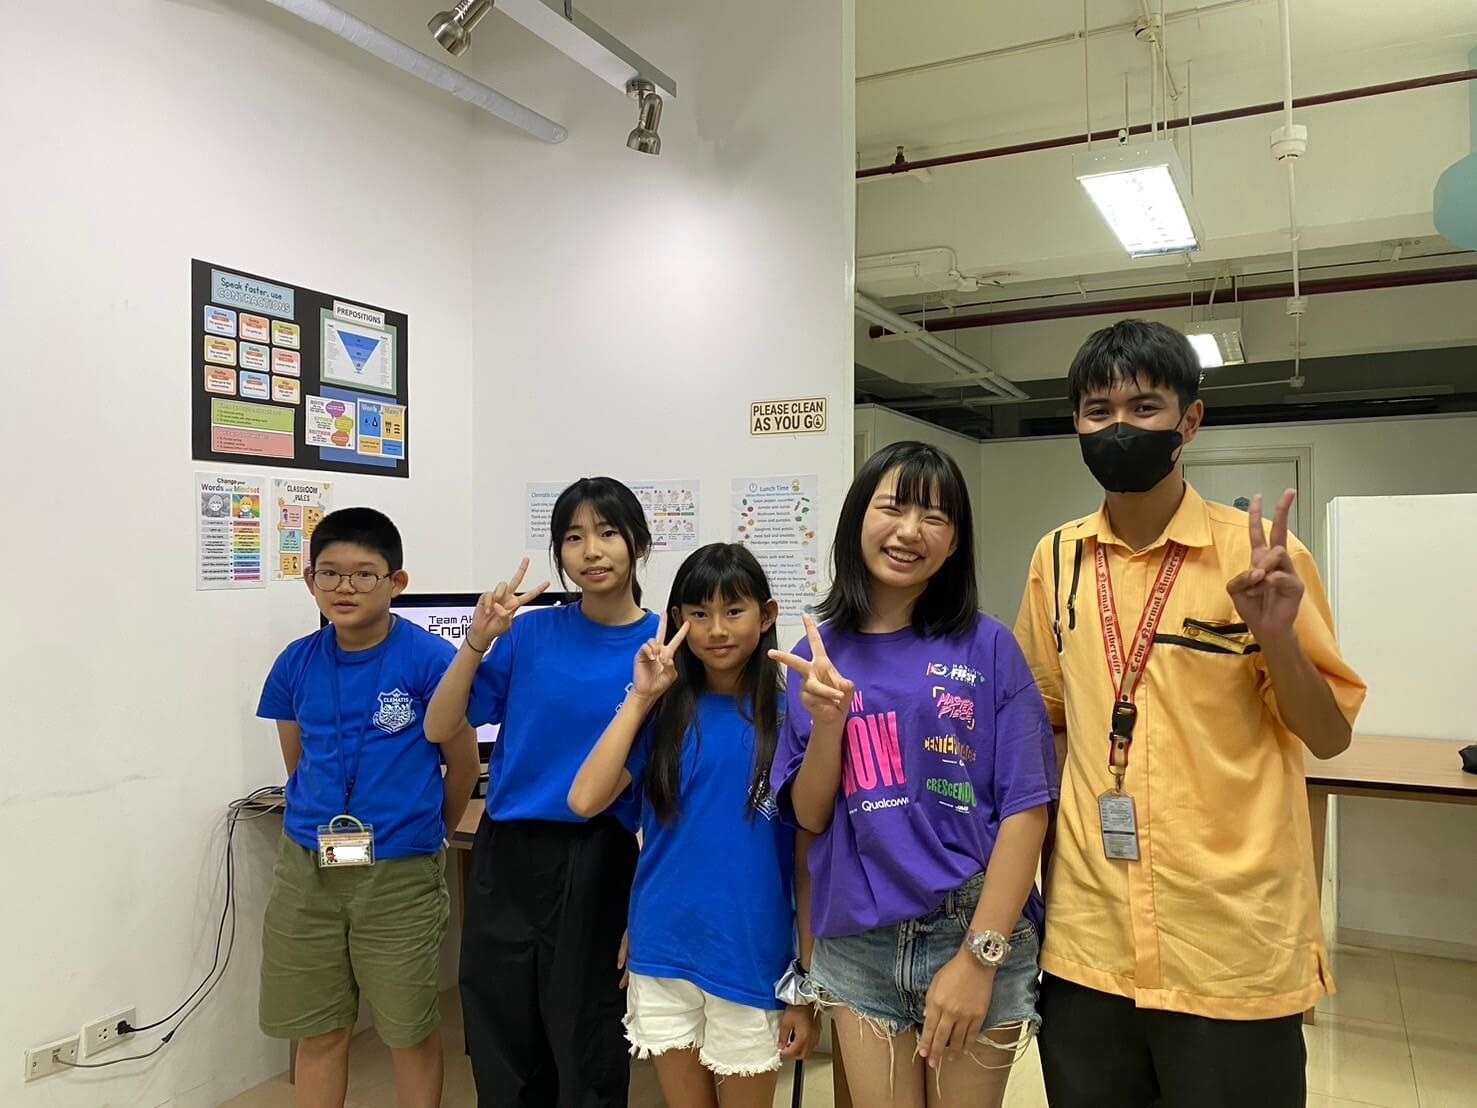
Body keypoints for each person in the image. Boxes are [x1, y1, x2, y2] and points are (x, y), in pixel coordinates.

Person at [1014, 319, 1368, 1108]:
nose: (1118, 427)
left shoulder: (1261, 558)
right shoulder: (1056, 559)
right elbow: (1044, 722)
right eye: (1098, 410)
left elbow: (1327, 735)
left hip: (1228, 942)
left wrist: (1276, 638)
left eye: (1143, 407)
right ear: (1075, 423)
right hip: (1088, 940)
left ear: (1190, 419)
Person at [770, 441, 1056, 1108]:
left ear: (954, 542)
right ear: (856, 520)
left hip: (973, 923)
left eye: (934, 516)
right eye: (892, 507)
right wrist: (829, 724)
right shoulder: (817, 653)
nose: (908, 531)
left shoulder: (989, 646)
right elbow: (810, 816)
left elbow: (1027, 810)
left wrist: (979, 957)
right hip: (859, 935)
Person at [425, 477, 658, 1108]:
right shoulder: (530, 634)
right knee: (500, 1027)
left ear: (639, 543)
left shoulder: (661, 647)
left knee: (584, 1034)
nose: (592, 551)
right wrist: (479, 638)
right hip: (507, 851)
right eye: (574, 538)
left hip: (598, 854)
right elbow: (440, 726)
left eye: (607, 533)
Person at [568, 543, 821, 1107]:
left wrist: (805, 983)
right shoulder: (663, 714)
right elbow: (584, 799)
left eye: (734, 610)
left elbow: (809, 863)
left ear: (767, 615)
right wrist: (640, 698)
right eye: (699, 613)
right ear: (677, 620)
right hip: (663, 948)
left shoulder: (793, 720)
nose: (717, 629)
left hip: (752, 955)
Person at [256, 507, 481, 1108]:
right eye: (329, 574)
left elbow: (463, 766)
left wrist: (430, 832)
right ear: (310, 581)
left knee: (407, 1029)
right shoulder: (296, 662)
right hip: (307, 870)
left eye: (364, 574)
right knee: (319, 1028)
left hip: (400, 874)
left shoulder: (430, 660)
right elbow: (298, 765)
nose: (345, 588)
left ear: (396, 583)